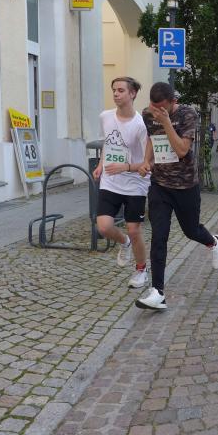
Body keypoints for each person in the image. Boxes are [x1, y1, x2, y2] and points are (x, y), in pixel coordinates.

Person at [135, 82, 218, 310]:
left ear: (173, 102)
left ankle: (212, 242)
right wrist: (146, 161)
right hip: (160, 185)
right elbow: (151, 138)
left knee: (191, 230)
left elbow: (182, 150)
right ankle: (157, 292)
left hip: (185, 186)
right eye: (153, 107)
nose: (156, 112)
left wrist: (166, 122)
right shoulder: (148, 114)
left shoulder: (187, 114)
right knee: (159, 236)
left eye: (161, 108)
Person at [92, 77, 150, 288]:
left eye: (121, 90)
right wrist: (101, 164)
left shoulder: (141, 125)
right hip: (110, 181)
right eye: (114, 90)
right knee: (104, 227)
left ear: (132, 94)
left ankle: (141, 270)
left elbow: (148, 162)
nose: (116, 94)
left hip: (135, 183)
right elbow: (108, 143)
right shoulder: (105, 116)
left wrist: (125, 167)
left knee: (134, 230)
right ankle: (124, 242)